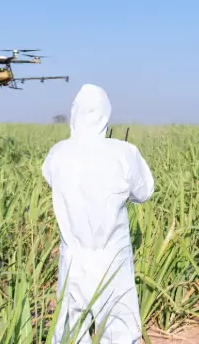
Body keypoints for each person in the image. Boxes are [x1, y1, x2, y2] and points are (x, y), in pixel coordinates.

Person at [42, 84, 155, 344]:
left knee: (69, 333)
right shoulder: (124, 152)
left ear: (75, 113)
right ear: (106, 113)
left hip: (72, 258)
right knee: (121, 332)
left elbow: (51, 178)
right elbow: (144, 192)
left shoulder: (58, 153)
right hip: (112, 259)